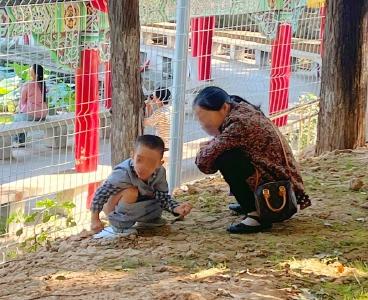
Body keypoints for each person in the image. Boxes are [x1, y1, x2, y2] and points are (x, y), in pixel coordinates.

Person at [193, 86, 311, 234]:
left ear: (223, 107)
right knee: (225, 153)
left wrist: (205, 147)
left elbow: (204, 163)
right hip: (284, 183)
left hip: (279, 193)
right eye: (199, 118)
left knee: (226, 158)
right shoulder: (240, 108)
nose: (202, 123)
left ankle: (256, 215)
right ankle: (254, 203)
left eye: (204, 117)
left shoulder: (238, 124)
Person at [90, 134, 192, 238]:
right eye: (139, 160)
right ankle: (120, 225)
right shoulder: (122, 173)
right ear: (132, 155)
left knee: (155, 194)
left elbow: (162, 197)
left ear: (159, 164)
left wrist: (176, 208)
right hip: (117, 206)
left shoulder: (160, 173)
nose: (143, 167)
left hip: (143, 205)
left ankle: (148, 221)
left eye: (151, 162)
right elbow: (101, 194)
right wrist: (95, 219)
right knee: (131, 192)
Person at [14, 64, 48, 146]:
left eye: (31, 69)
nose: (29, 70)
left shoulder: (28, 84)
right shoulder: (43, 84)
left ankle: (19, 141)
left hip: (33, 114)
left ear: (34, 73)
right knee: (23, 116)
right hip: (43, 114)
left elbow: (22, 101)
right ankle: (20, 140)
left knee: (18, 119)